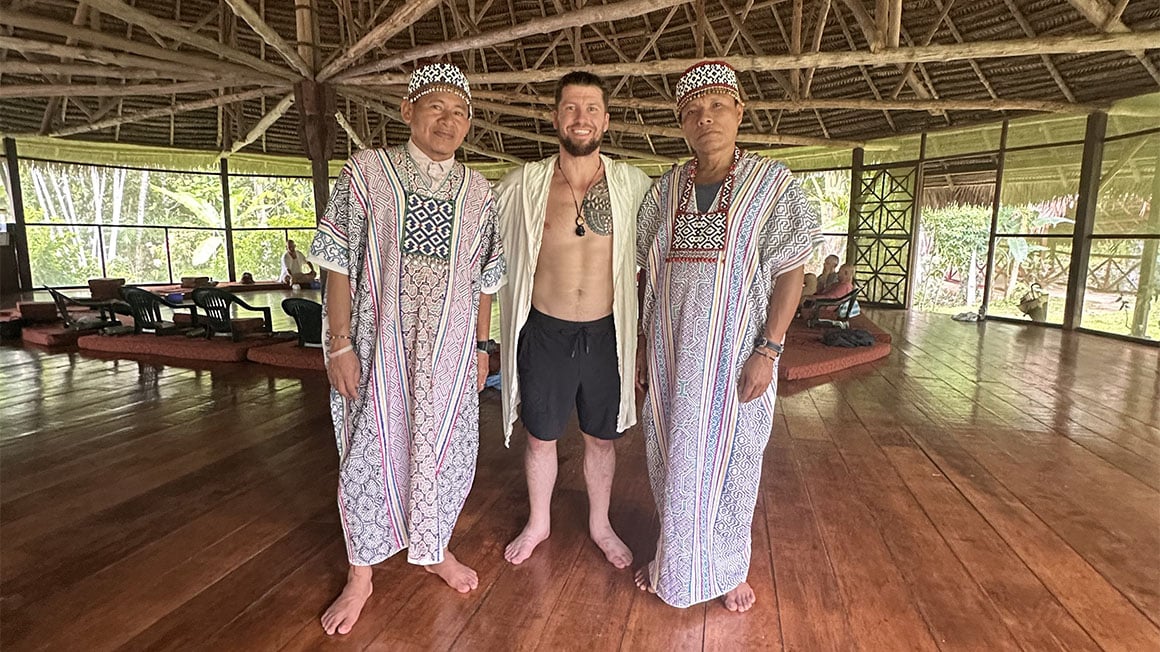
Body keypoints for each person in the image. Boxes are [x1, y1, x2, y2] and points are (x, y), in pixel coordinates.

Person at [307, 63, 505, 636]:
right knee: (370, 449)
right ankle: (361, 573)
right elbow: (339, 259)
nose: (449, 120)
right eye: (436, 106)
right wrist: (339, 344)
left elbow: (486, 277)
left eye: (460, 112)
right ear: (408, 111)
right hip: (377, 343)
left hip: (449, 350)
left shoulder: (478, 191)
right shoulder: (368, 173)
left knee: (444, 451)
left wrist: (481, 346)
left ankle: (432, 546)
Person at [634, 61, 821, 612]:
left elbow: (791, 269)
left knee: (733, 460)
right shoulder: (666, 189)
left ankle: (727, 569)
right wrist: (645, 345)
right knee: (672, 458)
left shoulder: (772, 184)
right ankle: (673, 559)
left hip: (735, 357)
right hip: (671, 357)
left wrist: (769, 348)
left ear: (739, 112)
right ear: (681, 123)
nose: (705, 117)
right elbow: (646, 272)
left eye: (717, 105)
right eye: (692, 110)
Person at [493, 71, 653, 569]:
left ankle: (600, 524)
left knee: (600, 438)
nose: (580, 118)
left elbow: (659, 260)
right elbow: (484, 254)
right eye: (570, 108)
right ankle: (539, 521)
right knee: (539, 435)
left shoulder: (633, 186)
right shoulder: (525, 187)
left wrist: (646, 338)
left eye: (590, 109)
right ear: (555, 117)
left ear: (605, 120)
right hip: (544, 330)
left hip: (607, 333)